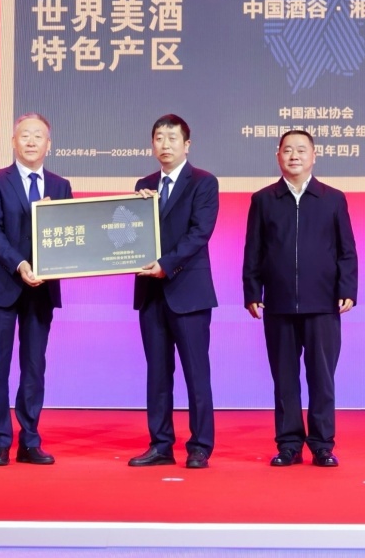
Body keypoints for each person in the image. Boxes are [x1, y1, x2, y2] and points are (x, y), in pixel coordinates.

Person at [242, 129, 357, 468]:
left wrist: (347, 289)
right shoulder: (263, 200)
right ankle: (289, 444)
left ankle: (322, 445)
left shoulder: (332, 199)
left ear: (314, 156)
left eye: (301, 150)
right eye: (288, 150)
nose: (294, 156)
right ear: (277, 155)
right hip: (278, 304)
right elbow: (253, 250)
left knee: (322, 378)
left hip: (322, 303)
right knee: (285, 379)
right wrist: (252, 291)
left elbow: (347, 250)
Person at [0, 113, 71, 466]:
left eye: (38, 136)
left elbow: (71, 233)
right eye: (24, 135)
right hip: (2, 284)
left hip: (42, 289)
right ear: (13, 142)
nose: (31, 141)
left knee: (34, 367)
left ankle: (29, 440)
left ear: (49, 145)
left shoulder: (60, 185)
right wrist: (19, 264)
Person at [128, 115, 219, 469]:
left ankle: (200, 446)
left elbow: (200, 233)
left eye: (172, 138)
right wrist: (138, 210)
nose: (165, 144)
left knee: (196, 373)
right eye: (159, 138)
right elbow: (133, 234)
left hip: (188, 291)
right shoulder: (144, 185)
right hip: (151, 293)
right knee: (157, 373)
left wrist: (166, 264)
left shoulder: (204, 182)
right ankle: (161, 444)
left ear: (187, 145)